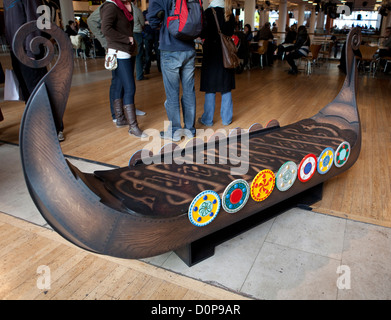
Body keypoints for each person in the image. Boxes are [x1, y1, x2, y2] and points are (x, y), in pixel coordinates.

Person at [4, 0, 66, 141]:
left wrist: (32, 52)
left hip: (29, 51)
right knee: (28, 93)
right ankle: (37, 125)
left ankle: (54, 129)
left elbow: (34, 20)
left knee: (40, 92)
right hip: (15, 51)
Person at [147, 0, 197, 142]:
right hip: (189, 49)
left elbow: (152, 20)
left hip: (170, 48)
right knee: (189, 91)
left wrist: (164, 24)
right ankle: (190, 130)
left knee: (172, 93)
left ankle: (175, 132)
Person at [88, 4, 146, 125]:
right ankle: (116, 115)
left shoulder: (132, 6)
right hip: (118, 45)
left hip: (130, 46)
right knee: (117, 82)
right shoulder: (111, 4)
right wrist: (106, 42)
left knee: (127, 81)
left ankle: (128, 109)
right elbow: (92, 21)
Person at [101, 0, 146, 138]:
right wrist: (126, 39)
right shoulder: (111, 6)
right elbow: (106, 29)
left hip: (126, 50)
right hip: (119, 51)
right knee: (130, 87)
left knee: (121, 84)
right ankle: (133, 127)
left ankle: (120, 119)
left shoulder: (125, 6)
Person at [198, 0, 236, 127]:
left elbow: (203, 32)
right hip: (226, 54)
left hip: (211, 53)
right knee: (226, 87)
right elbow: (230, 32)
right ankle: (226, 119)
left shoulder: (208, 12)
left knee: (210, 87)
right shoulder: (229, 12)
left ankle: (207, 119)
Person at [131, 0, 147, 81]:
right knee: (138, 55)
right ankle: (139, 75)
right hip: (137, 34)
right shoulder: (137, 10)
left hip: (127, 34)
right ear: (135, 2)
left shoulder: (121, 10)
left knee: (128, 55)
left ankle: (129, 76)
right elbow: (142, 23)